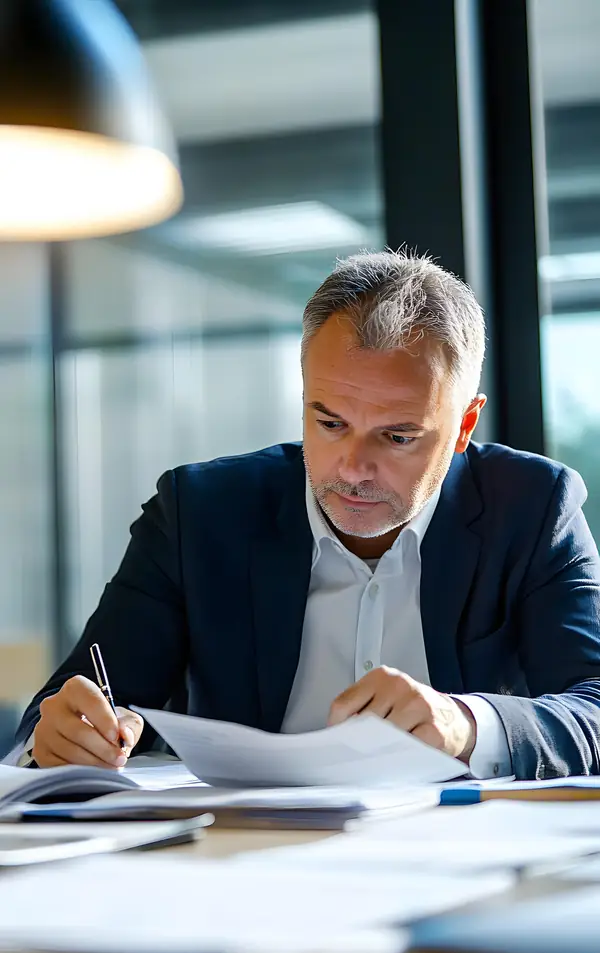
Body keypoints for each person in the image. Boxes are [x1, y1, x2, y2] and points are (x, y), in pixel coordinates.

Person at [16, 250, 600, 779]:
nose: (353, 468)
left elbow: (593, 707)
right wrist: (63, 739)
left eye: (396, 437)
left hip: (465, 852)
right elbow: (63, 716)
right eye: (329, 423)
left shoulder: (533, 507)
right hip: (241, 861)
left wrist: (467, 725)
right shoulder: (198, 515)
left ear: (463, 428)